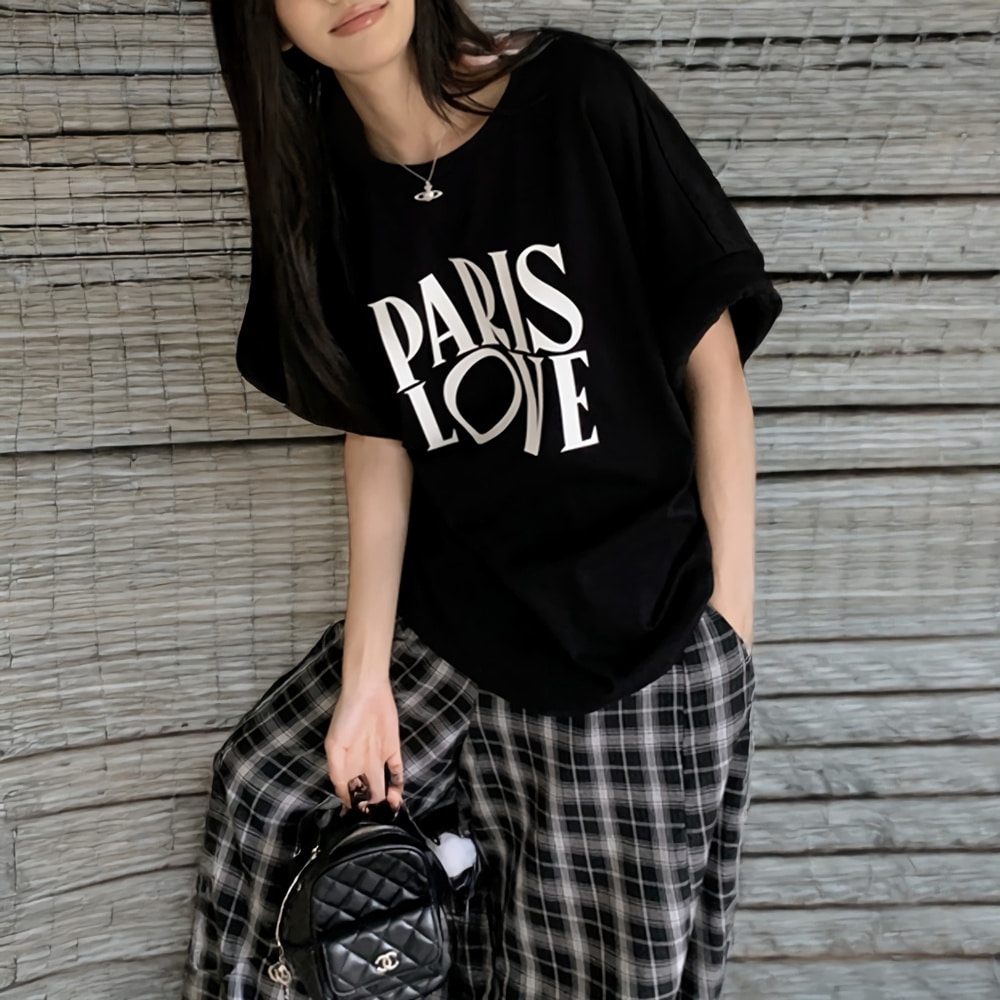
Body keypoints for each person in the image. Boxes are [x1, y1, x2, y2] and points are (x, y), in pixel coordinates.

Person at [182, 0, 782, 995]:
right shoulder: (323, 187)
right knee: (267, 797)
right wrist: (364, 678)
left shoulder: (575, 99)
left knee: (587, 967)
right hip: (454, 628)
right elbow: (378, 429)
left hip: (633, 632)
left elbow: (713, 370)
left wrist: (727, 638)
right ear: (267, 24)